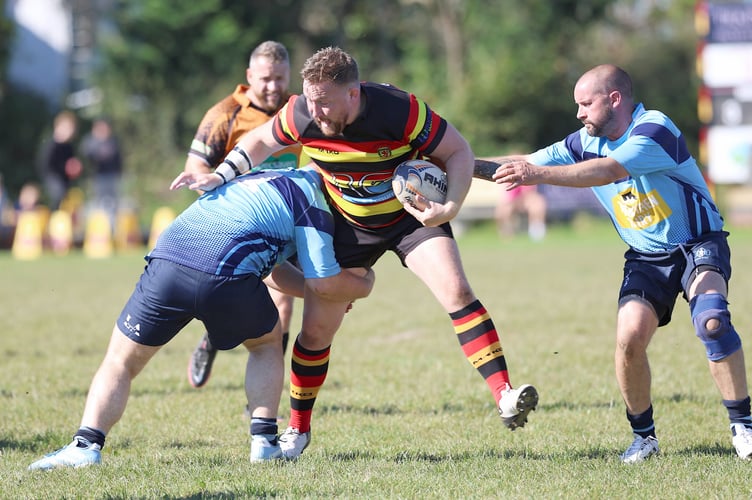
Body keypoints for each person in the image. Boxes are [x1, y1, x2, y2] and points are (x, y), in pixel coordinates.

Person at [182, 46, 539, 460]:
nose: (315, 111)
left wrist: (451, 207)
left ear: (354, 94)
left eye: (325, 102)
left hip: (410, 219)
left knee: (457, 291)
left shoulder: (399, 110)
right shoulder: (302, 111)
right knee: (316, 332)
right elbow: (261, 139)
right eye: (310, 99)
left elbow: (458, 151)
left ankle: (504, 395)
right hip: (348, 228)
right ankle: (297, 430)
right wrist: (221, 175)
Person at [481, 64, 752, 463]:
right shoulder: (581, 141)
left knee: (712, 321)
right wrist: (453, 161)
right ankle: (644, 438)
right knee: (628, 339)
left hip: (697, 245)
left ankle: (742, 426)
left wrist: (535, 174)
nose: (579, 114)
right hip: (645, 257)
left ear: (615, 99)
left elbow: (607, 170)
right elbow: (518, 164)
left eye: (585, 104)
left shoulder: (654, 128)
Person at [27, 166, 375, 470]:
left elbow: (268, 263)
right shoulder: (314, 203)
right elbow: (324, 283)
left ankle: (85, 445)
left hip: (168, 262)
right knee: (267, 343)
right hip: (224, 276)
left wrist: (320, 292)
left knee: (120, 360)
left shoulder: (257, 178)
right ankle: (264, 442)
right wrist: (361, 287)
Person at [184, 40, 303, 389]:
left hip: (284, 226)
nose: (273, 87)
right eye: (265, 78)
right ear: (250, 75)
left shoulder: (299, 112)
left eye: (280, 78)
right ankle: (213, 338)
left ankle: (267, 392)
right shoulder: (225, 113)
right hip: (235, 225)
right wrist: (203, 178)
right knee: (224, 299)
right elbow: (196, 162)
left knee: (283, 304)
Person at [37, 110, 83, 211]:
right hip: (52, 177)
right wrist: (65, 167)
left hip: (65, 180)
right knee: (58, 194)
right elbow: (46, 165)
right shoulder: (51, 145)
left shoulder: (69, 147)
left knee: (72, 195)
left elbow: (72, 163)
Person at [81, 117, 123, 225]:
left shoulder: (113, 141)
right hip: (97, 178)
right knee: (98, 202)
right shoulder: (90, 142)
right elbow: (87, 159)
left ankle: (112, 226)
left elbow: (118, 159)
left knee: (113, 202)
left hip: (112, 176)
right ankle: (98, 226)